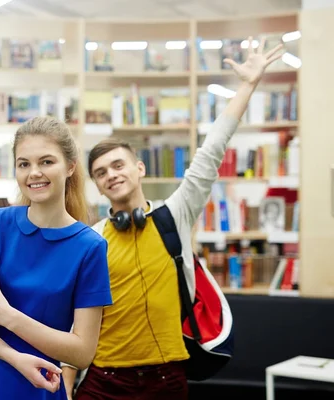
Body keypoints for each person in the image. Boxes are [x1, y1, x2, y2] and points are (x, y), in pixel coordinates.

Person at [62, 36, 285, 400]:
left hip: (166, 380)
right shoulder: (93, 238)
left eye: (118, 165)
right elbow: (78, 315)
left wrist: (248, 84)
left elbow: (212, 150)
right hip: (103, 381)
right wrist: (68, 381)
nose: (111, 175)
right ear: (98, 187)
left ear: (139, 168)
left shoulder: (174, 215)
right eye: (101, 173)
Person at [0, 117, 113, 399]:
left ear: (70, 166)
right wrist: (13, 357)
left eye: (47, 162)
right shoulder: (0, 223)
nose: (34, 172)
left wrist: (7, 316)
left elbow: (82, 352)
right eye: (24, 164)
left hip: (38, 386)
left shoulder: (90, 247)